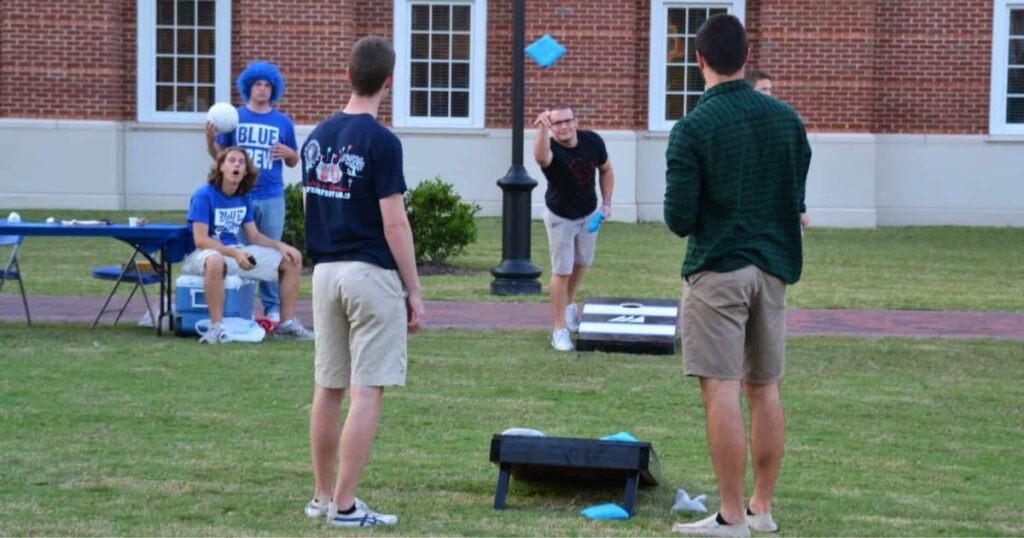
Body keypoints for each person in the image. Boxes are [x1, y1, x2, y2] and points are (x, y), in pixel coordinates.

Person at [663, 14, 811, 537]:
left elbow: (679, 218)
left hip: (718, 268)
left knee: (721, 389)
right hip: (773, 270)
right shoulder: (787, 120)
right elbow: (795, 200)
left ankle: (731, 516)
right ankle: (761, 508)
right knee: (765, 388)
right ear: (746, 58)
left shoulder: (693, 128)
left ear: (699, 60)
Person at [301, 36, 424, 528]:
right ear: (389, 82)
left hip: (325, 272)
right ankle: (346, 507)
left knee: (328, 387)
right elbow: (394, 222)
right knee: (366, 389)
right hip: (369, 273)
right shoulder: (382, 141)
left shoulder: (316, 136)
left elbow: (312, 203)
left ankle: (321, 495)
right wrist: (414, 289)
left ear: (348, 74)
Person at [182, 147, 314, 344]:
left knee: (291, 260)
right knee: (216, 259)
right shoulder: (204, 195)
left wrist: (280, 246)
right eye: (232, 161)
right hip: (202, 255)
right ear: (220, 167)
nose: (236, 165)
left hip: (235, 252)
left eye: (241, 162)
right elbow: (200, 240)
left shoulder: (243, 196)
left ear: (246, 171)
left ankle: (286, 325)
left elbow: (254, 236)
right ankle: (216, 328)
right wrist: (235, 254)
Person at [205, 60, 299, 323]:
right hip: (238, 196)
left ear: (274, 89)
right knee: (236, 249)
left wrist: (291, 153)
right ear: (248, 87)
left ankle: (272, 307)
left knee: (271, 252)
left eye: (267, 85)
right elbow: (220, 158)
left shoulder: (283, 121)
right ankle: (237, 305)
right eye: (257, 84)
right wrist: (209, 141)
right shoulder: (234, 118)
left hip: (271, 195)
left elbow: (293, 161)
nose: (262, 89)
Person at [533, 103, 615, 352]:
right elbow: (540, 157)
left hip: (588, 213)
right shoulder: (551, 149)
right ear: (552, 127)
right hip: (561, 217)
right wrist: (541, 129)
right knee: (562, 270)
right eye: (557, 123)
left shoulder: (592, 141)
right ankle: (559, 330)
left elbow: (606, 169)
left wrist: (607, 203)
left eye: (567, 121)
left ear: (575, 121)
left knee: (582, 262)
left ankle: (569, 306)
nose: (564, 127)